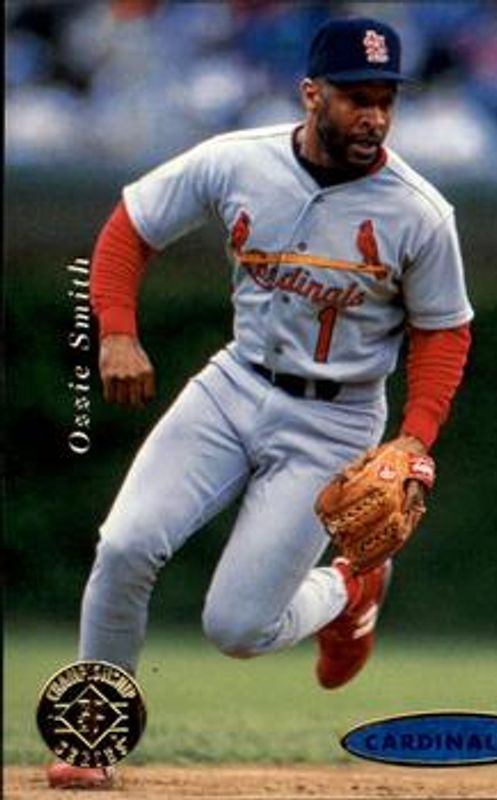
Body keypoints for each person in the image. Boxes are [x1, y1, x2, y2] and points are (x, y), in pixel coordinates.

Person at [48, 16, 473, 789]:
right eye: (356, 98)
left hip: (336, 420)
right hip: (234, 385)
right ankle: (92, 733)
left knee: (238, 628)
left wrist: (415, 439)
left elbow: (444, 332)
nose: (374, 117)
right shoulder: (236, 160)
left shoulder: (419, 211)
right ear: (311, 94)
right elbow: (130, 228)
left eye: (386, 100)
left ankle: (349, 587)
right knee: (124, 547)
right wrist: (115, 330)